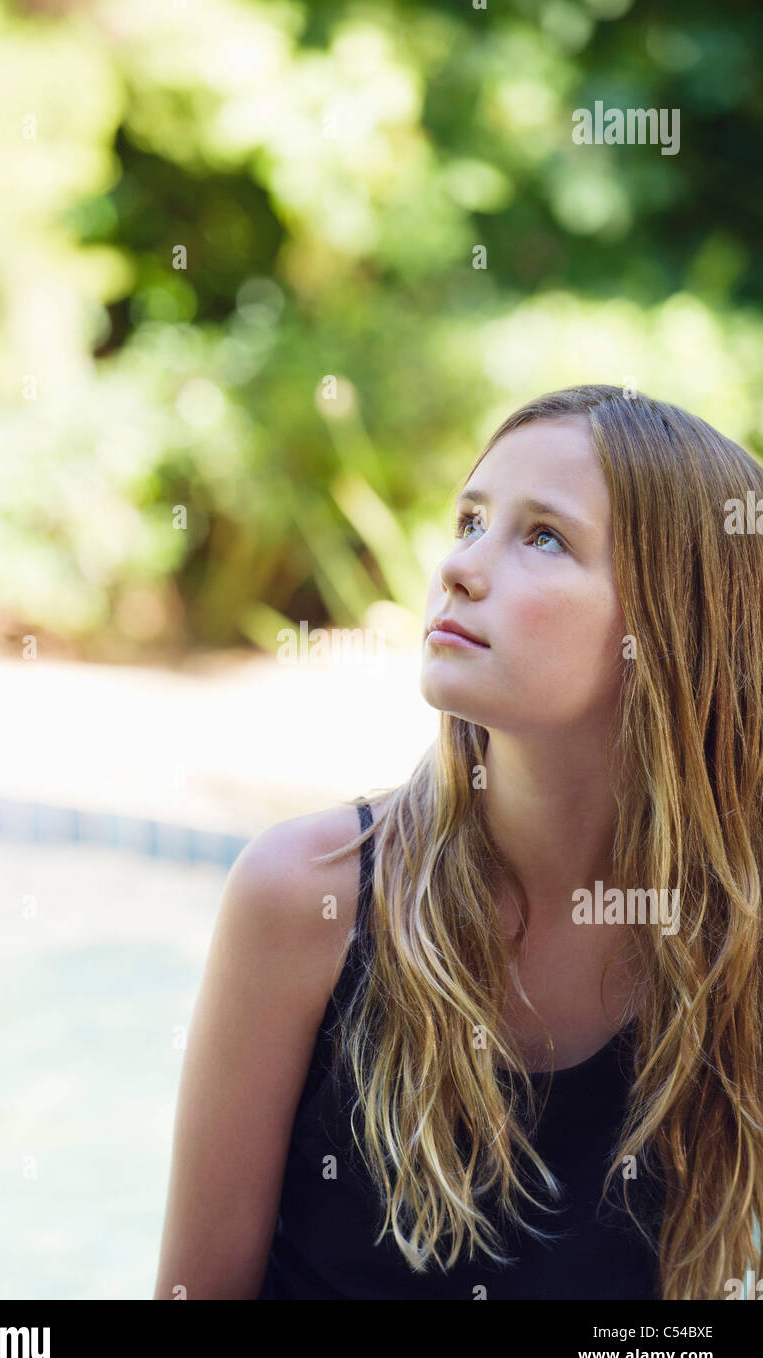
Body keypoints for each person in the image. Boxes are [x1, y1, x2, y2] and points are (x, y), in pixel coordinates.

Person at [153, 384, 763, 1301]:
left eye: (543, 537)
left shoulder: (735, 935)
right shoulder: (307, 896)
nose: (462, 568)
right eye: (470, 521)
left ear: (673, 625)